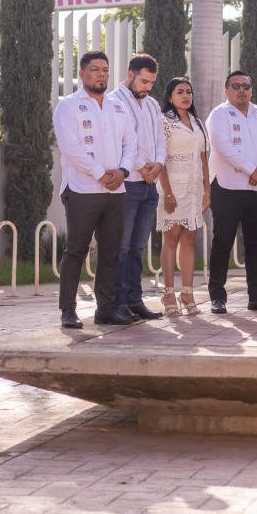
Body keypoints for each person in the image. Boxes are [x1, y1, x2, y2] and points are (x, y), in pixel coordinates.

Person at [51, 50, 137, 329]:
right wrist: (101, 173)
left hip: (116, 191)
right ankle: (68, 310)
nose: (101, 74)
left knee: (111, 252)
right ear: (82, 74)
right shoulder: (68, 106)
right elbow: (70, 148)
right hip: (82, 189)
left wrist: (123, 171)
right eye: (95, 70)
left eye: (105, 70)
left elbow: (131, 143)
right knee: (76, 250)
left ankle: (106, 309)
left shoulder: (118, 107)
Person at [206, 70, 257, 314]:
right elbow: (223, 147)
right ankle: (217, 297)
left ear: (251, 90)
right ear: (226, 90)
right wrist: (252, 169)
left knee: (255, 245)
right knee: (223, 242)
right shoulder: (219, 114)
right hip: (227, 187)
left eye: (246, 86)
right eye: (236, 86)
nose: (241, 91)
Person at [109, 54, 165, 321]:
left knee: (138, 247)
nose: (147, 87)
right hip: (127, 185)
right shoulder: (114, 101)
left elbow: (160, 139)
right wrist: (143, 165)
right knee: (121, 248)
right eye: (144, 81)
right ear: (130, 74)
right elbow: (123, 141)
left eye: (152, 83)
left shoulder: (152, 104)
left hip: (149, 186)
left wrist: (159, 164)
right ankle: (117, 303)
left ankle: (135, 300)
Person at [156, 78, 208, 316]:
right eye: (180, 92)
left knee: (190, 238)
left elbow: (203, 157)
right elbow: (160, 158)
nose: (186, 96)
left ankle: (187, 293)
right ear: (170, 97)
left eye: (189, 91)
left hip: (195, 190)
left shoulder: (197, 122)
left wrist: (207, 190)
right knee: (172, 238)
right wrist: (167, 191)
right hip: (173, 189)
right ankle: (168, 293)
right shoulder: (164, 122)